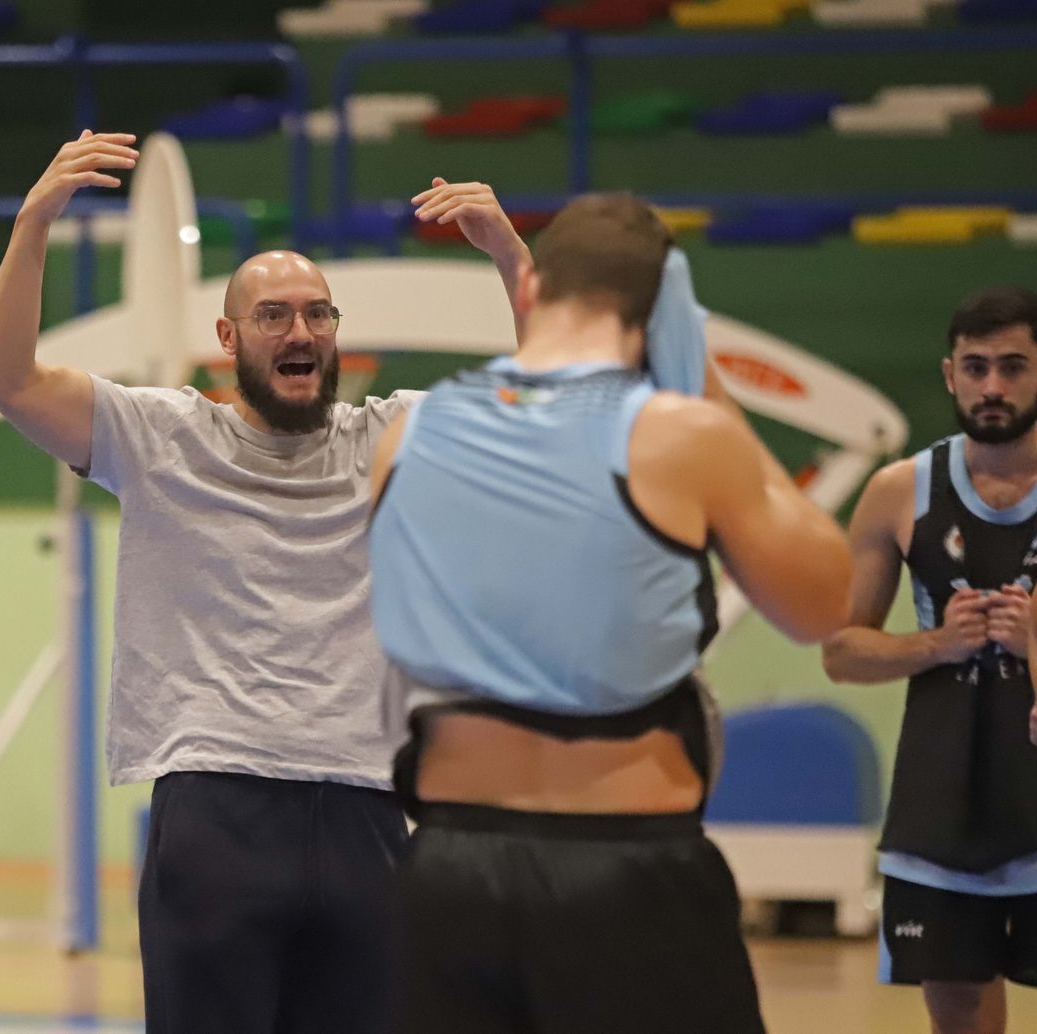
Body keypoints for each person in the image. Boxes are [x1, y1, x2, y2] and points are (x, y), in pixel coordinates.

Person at [0, 132, 529, 1033]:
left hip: (368, 807)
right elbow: (3, 376)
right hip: (215, 803)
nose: (300, 330)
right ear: (229, 338)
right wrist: (34, 222)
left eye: (317, 313)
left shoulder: (390, 440)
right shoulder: (159, 438)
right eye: (273, 315)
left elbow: (545, 414)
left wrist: (510, 256)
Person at [368, 188, 852, 1034]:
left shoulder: (412, 434)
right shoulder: (681, 437)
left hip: (443, 869)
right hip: (625, 873)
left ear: (529, 293)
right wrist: (700, 381)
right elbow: (824, 602)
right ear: (662, 310)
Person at [824, 287, 1037, 1034]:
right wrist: (937, 644)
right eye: (976, 368)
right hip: (944, 810)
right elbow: (842, 652)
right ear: (950, 375)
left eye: (1013, 367)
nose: (993, 387)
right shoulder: (897, 492)